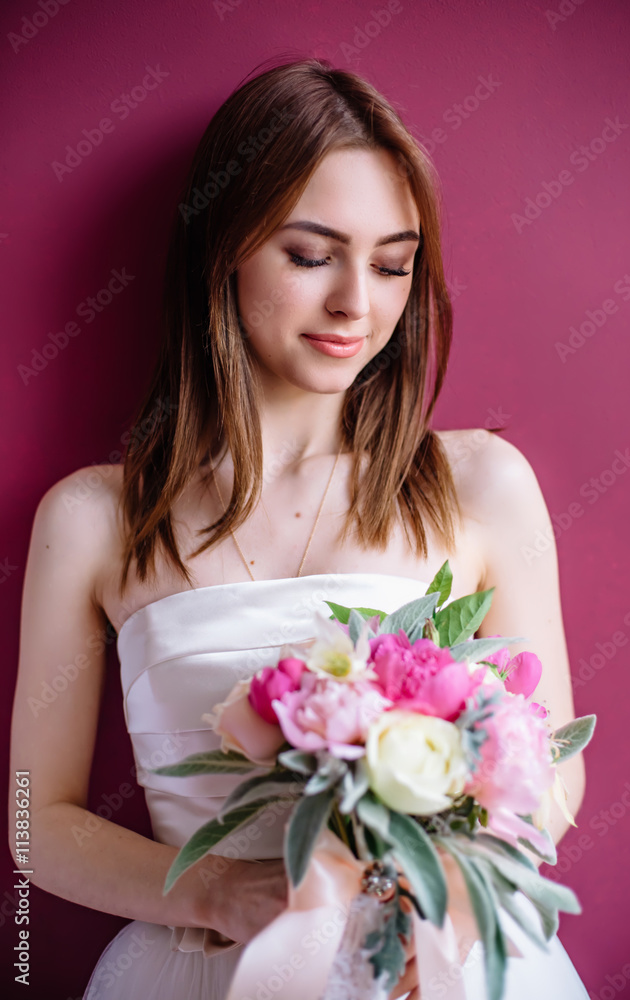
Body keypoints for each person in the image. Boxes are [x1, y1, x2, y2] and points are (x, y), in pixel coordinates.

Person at [9, 57, 589, 999]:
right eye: (312, 255)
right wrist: (216, 892)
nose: (358, 304)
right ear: (223, 249)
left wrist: (417, 857)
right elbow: (37, 820)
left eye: (394, 264)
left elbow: (555, 775)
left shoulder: (481, 485)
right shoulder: (91, 520)